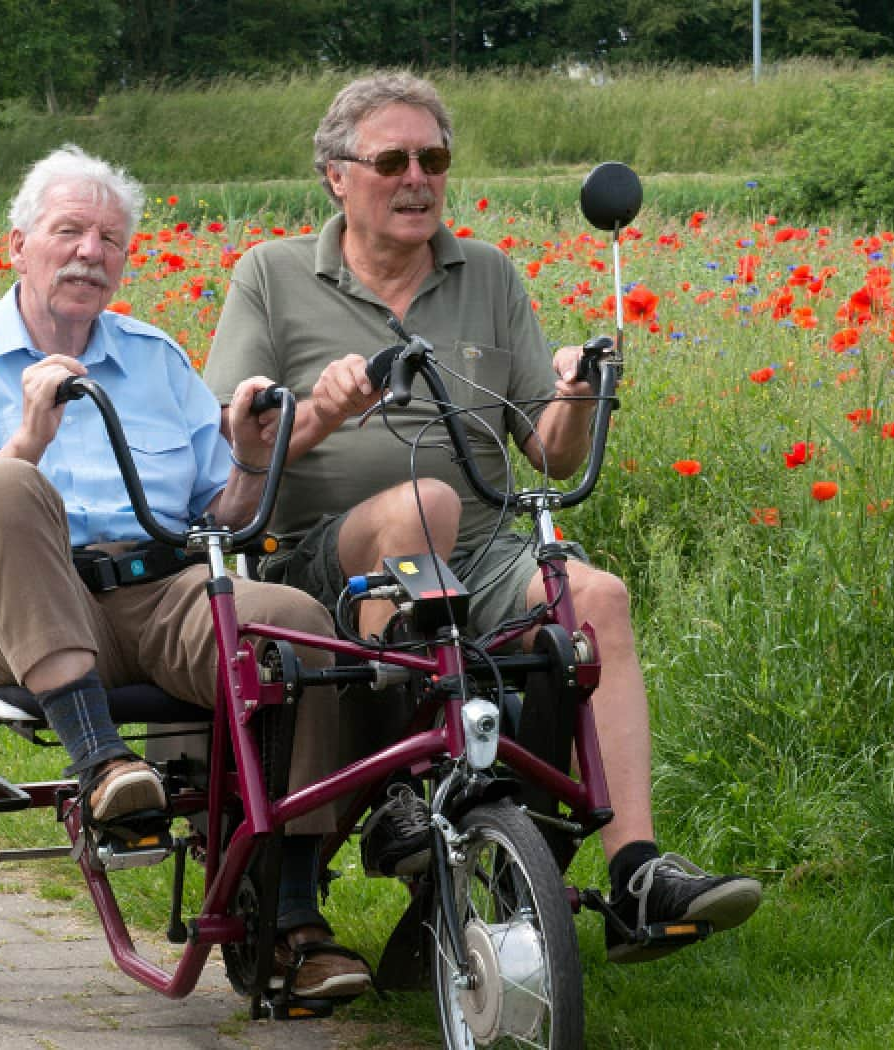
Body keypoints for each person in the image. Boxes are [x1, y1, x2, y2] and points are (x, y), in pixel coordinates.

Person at [203, 72, 762, 963]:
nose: (418, 176)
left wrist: (577, 395)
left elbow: (550, 454)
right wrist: (323, 411)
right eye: (392, 159)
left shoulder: (489, 274)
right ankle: (402, 796)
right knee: (419, 505)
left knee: (601, 597)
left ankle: (638, 877)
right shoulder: (271, 275)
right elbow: (236, 444)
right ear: (337, 176)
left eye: (434, 158)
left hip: (479, 550)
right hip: (317, 555)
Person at [0, 146, 372, 1001]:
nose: (88, 252)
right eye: (68, 230)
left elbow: (217, 517)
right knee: (5, 483)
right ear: (18, 245)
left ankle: (292, 920)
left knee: (297, 621)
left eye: (109, 238)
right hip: (15, 606)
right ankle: (104, 765)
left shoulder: (154, 357)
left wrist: (255, 461)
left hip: (158, 593)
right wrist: (29, 436)